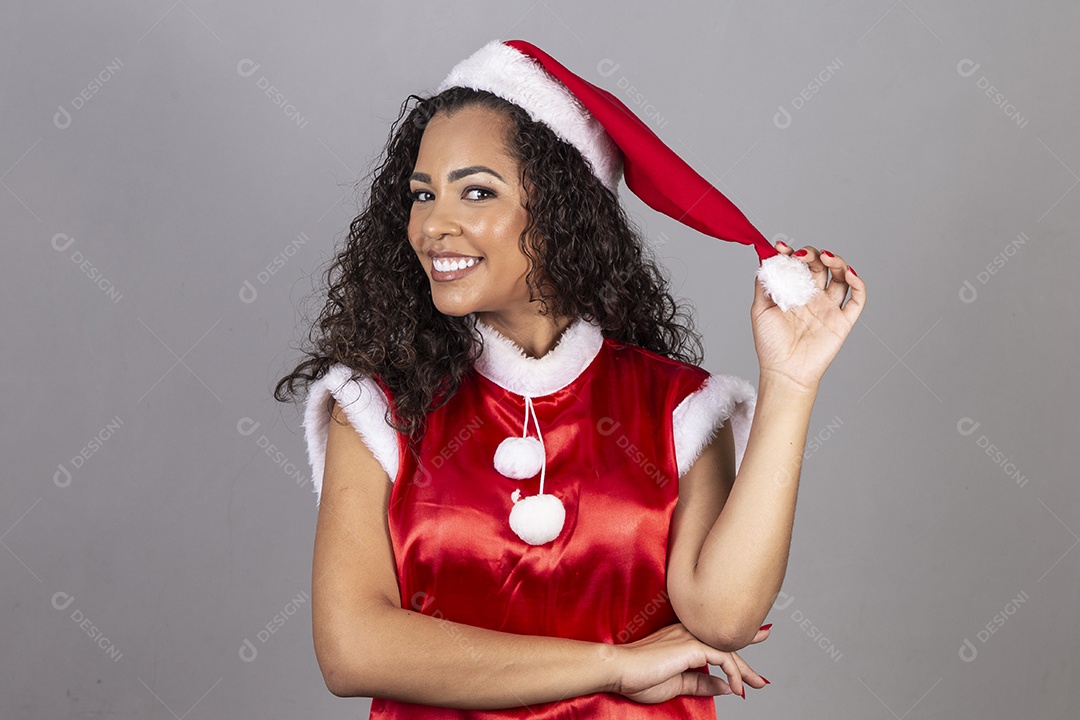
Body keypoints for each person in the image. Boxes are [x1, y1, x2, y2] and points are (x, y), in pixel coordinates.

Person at [275, 40, 866, 717]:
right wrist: (614, 664)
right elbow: (354, 650)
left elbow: (723, 618)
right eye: (422, 194)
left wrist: (790, 383)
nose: (434, 224)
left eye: (476, 191)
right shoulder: (376, 406)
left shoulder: (680, 407)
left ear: (562, 211)